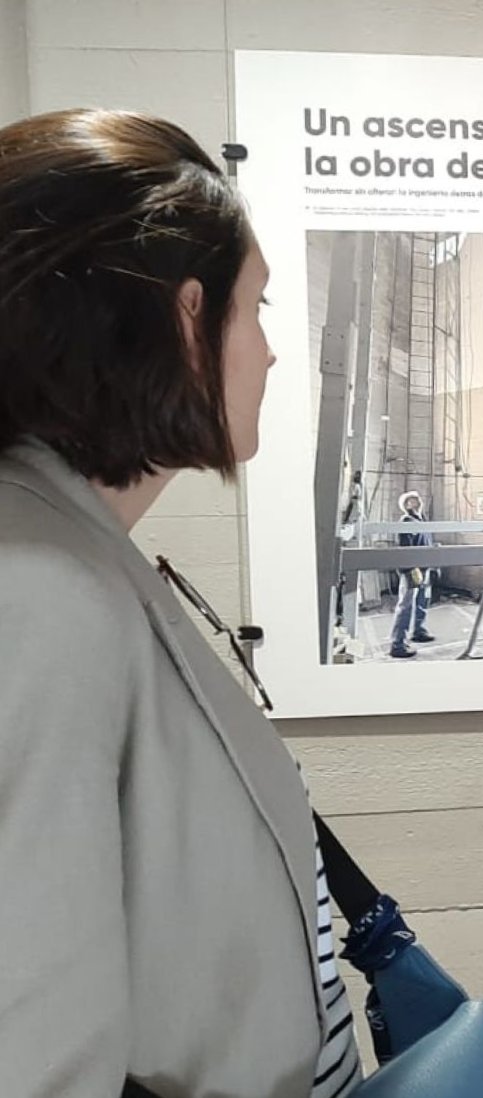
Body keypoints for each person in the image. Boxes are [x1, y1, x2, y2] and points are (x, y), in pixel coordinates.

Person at [0, 110, 361, 1095]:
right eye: (258, 310)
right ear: (186, 316)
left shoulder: (73, 555)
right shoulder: (36, 591)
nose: (273, 354)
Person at [388, 489, 436, 659]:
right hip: (413, 570)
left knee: (422, 601)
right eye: (412, 500)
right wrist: (410, 569)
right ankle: (397, 644)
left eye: (418, 499)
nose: (418, 501)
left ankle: (418, 631)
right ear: (406, 505)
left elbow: (427, 543)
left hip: (425, 568)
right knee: (406, 606)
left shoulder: (422, 521)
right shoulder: (406, 521)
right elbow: (405, 548)